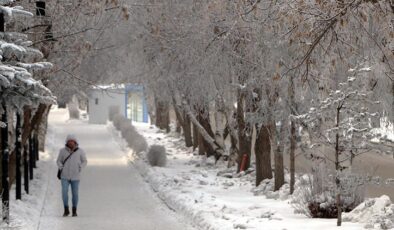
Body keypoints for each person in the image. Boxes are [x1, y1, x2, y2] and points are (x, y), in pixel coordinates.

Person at [57, 134, 87, 217]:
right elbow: (58, 161)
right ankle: (66, 209)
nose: (70, 142)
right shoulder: (62, 151)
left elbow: (84, 161)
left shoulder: (80, 151)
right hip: (64, 176)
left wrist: (80, 167)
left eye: (72, 141)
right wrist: (61, 167)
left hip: (75, 176)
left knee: (75, 194)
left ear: (75, 142)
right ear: (67, 142)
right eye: (69, 141)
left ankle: (74, 210)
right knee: (64, 193)